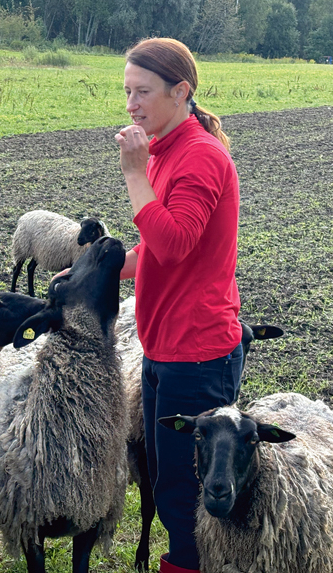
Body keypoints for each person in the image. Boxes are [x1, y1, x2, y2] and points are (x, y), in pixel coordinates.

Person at [115, 38, 244, 573]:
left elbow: (174, 243)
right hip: (163, 348)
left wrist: (134, 174)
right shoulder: (168, 150)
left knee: (190, 493)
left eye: (142, 91)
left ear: (181, 91)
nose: (131, 104)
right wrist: (105, 269)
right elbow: (156, 248)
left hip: (198, 354)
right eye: (126, 91)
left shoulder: (200, 158)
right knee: (165, 478)